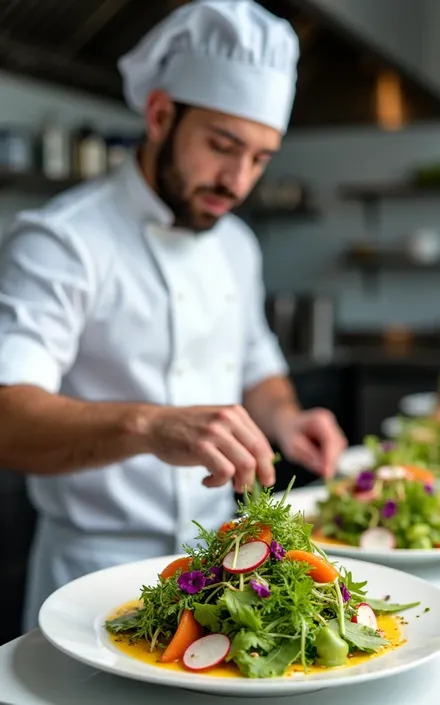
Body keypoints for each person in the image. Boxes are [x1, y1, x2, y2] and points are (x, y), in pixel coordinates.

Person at [0, 0, 347, 632]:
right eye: (222, 145)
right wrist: (150, 426)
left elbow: (257, 365)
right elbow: (8, 417)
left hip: (220, 569)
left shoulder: (236, 243)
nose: (237, 179)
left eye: (261, 157)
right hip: (91, 575)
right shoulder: (61, 240)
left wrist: (289, 418)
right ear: (160, 114)